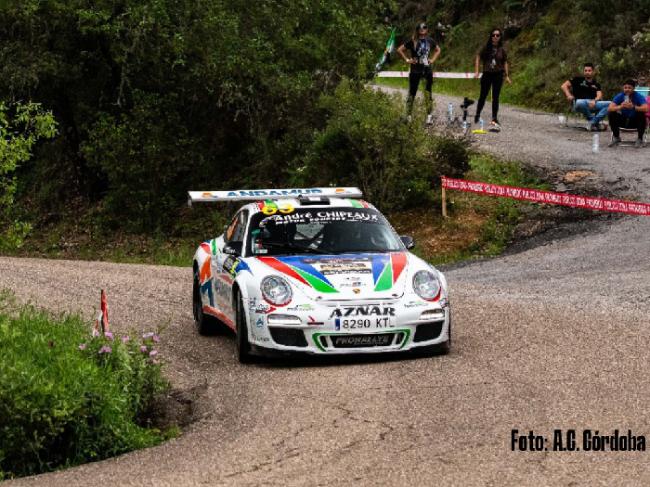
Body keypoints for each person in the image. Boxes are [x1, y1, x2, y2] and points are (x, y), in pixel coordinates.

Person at [397, 22, 441, 124]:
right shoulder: (413, 41)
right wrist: (407, 60)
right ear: (417, 30)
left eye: (424, 27)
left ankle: (429, 117)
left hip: (427, 69)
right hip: (415, 70)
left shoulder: (430, 40)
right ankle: (408, 117)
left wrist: (432, 60)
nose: (422, 29)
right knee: (412, 93)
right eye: (420, 28)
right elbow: (399, 49)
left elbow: (438, 50)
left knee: (428, 93)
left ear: (427, 29)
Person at [474, 28, 511, 131]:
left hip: (498, 75)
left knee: (496, 97)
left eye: (497, 35)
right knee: (483, 95)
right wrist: (477, 71)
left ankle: (494, 118)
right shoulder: (486, 48)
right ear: (491, 36)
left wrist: (506, 75)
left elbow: (505, 62)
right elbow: (478, 57)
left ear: (500, 37)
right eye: (493, 35)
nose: (495, 37)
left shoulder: (502, 50)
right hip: (487, 74)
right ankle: (477, 114)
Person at [561, 63, 610, 130]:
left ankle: (592, 123)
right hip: (579, 103)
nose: (587, 72)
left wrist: (594, 101)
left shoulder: (596, 84)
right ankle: (595, 123)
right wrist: (568, 95)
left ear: (593, 72)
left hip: (593, 103)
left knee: (611, 104)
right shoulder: (577, 80)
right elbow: (564, 86)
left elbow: (599, 95)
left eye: (589, 71)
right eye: (585, 70)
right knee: (580, 102)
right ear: (583, 71)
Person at [607, 79, 648, 148]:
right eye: (625, 88)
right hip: (623, 120)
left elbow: (646, 108)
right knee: (611, 113)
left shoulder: (638, 96)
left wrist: (634, 107)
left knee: (641, 113)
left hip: (635, 121)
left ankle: (640, 138)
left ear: (633, 89)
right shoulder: (620, 96)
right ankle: (616, 137)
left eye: (629, 88)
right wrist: (620, 106)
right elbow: (609, 108)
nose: (627, 89)